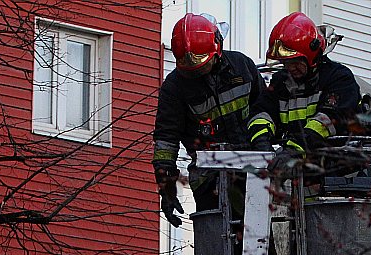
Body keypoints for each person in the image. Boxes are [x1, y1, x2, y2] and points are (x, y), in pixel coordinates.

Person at [153, 13, 265, 226]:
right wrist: (166, 186)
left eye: (201, 66)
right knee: (218, 246)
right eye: (190, 70)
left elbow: (265, 110)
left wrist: (264, 145)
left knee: (259, 243)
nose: (197, 74)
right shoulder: (175, 86)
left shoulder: (242, 66)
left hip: (254, 173)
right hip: (209, 181)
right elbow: (166, 140)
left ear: (217, 48)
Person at [247, 12, 360, 168]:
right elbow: (261, 112)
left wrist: (294, 150)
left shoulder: (339, 79)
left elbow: (329, 120)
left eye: (295, 62)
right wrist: (261, 143)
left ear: (312, 55)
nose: (290, 68)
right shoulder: (281, 82)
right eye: (285, 62)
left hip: (333, 174)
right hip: (294, 175)